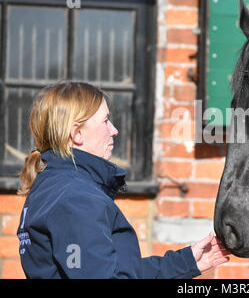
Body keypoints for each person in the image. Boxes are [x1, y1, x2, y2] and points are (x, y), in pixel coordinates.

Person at [16, 81, 230, 278]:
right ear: (77, 134)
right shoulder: (76, 198)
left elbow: (113, 271)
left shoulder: (51, 186)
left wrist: (186, 262)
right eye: (106, 121)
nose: (114, 131)